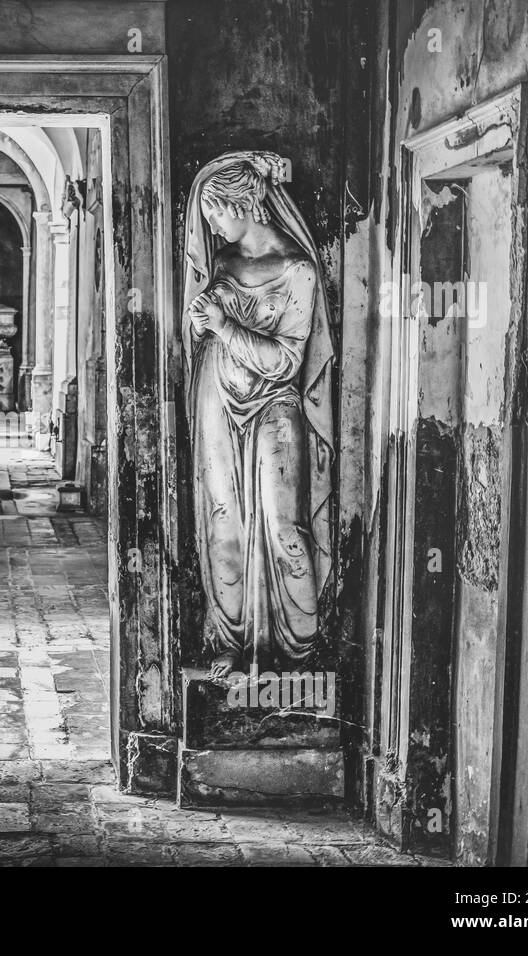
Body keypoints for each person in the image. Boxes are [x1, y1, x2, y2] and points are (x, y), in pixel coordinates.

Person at [182, 151, 335, 679]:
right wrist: (202, 324)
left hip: (274, 404)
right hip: (215, 398)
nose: (212, 226)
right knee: (224, 520)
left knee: (282, 525)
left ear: (243, 202)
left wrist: (223, 326)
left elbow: (287, 360)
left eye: (216, 213)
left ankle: (301, 647)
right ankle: (230, 637)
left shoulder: (298, 270)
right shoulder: (223, 265)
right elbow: (204, 324)